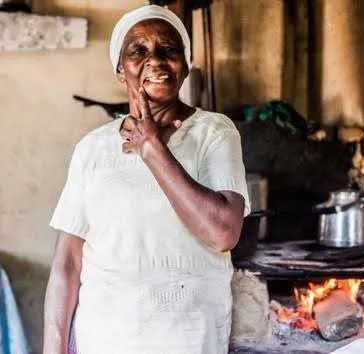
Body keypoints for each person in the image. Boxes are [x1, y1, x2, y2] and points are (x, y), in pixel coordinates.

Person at [43, 5, 250, 354]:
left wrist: (152, 146)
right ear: (121, 70)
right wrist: (54, 346)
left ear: (184, 66)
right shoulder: (92, 149)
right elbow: (67, 262)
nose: (155, 60)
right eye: (138, 51)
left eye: (168, 50)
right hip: (102, 337)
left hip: (187, 338)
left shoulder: (214, 132)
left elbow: (222, 233)